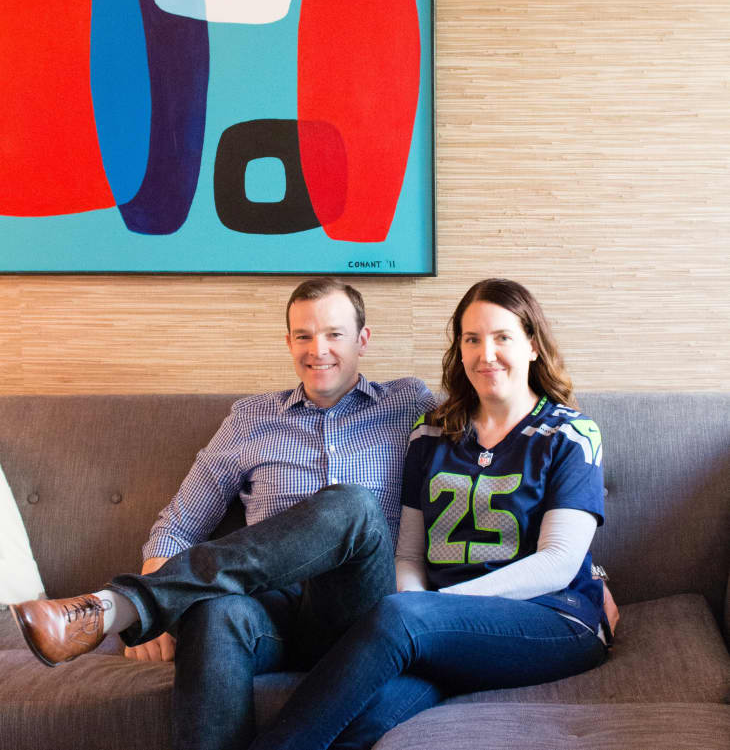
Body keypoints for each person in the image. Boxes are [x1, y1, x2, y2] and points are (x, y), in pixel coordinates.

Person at [11, 277, 618, 750]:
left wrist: (579, 572)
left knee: (351, 506)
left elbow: (548, 539)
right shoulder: (272, 420)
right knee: (217, 613)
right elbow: (179, 526)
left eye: (334, 334)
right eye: (303, 336)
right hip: (292, 612)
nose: (318, 349)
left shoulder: (412, 406)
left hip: (375, 609)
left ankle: (123, 605)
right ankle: (137, 605)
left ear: (363, 340)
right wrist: (169, 612)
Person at [244, 278, 612, 750]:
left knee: (399, 615)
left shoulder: (570, 434)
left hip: (551, 618)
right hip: (442, 629)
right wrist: (429, 610)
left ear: (533, 346)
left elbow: (558, 562)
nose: (486, 354)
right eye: (472, 339)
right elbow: (409, 555)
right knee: (361, 723)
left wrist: (436, 608)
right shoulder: (431, 433)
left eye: (502, 337)